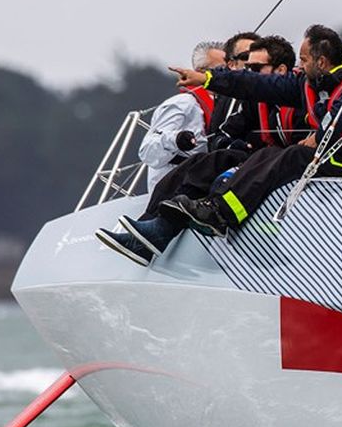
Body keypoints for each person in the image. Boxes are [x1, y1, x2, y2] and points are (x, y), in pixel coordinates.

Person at [114, 25, 342, 260]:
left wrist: (316, 135)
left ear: (322, 61)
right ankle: (152, 227)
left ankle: (221, 213)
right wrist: (207, 79)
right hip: (322, 156)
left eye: (302, 61)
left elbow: (339, 123)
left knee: (283, 156)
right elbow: (256, 87)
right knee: (212, 160)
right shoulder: (310, 83)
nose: (298, 68)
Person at [95, 35, 302, 266]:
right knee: (206, 161)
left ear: (282, 69)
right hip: (256, 161)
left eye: (254, 66)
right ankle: (150, 230)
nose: (248, 71)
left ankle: (215, 216)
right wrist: (230, 145)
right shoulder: (246, 99)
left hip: (284, 164)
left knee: (263, 157)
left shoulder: (298, 90)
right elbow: (225, 133)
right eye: (244, 62)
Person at [137, 40, 225, 192]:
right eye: (221, 70)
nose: (227, 75)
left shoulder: (229, 105)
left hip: (211, 185)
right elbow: (147, 151)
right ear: (199, 72)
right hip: (174, 188)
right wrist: (177, 140)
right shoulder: (183, 104)